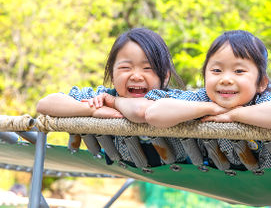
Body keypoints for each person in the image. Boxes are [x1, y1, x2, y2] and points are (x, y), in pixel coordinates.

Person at [143, 30, 271, 169]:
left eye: (239, 71)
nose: (225, 79)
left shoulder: (263, 100)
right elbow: (153, 114)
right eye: (216, 71)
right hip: (221, 175)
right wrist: (211, 108)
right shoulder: (202, 99)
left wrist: (232, 115)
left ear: (261, 83)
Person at [36, 27, 184, 165]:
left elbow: (141, 110)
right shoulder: (103, 98)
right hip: (127, 166)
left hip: (183, 170)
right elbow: (45, 104)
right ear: (112, 76)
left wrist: (114, 103)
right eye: (125, 68)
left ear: (165, 77)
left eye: (147, 68)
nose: (136, 76)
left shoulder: (173, 100)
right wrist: (91, 109)